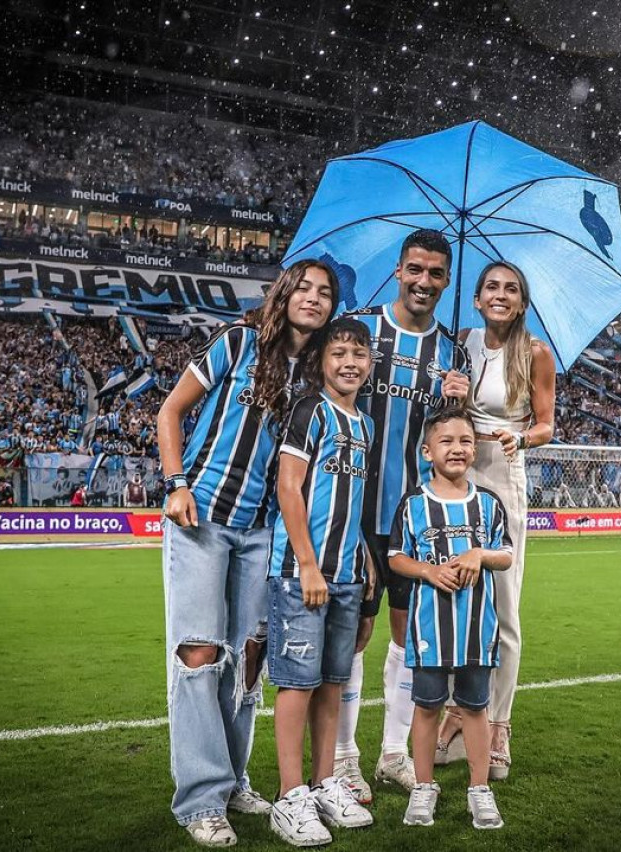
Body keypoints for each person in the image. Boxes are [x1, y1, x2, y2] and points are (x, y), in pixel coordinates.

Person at [156, 259, 339, 847]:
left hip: (263, 531)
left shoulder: (316, 378)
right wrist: (175, 482)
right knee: (199, 655)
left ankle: (234, 780)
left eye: (324, 293)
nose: (312, 298)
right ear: (283, 293)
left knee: (248, 658)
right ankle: (200, 800)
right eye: (303, 287)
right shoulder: (237, 343)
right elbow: (170, 410)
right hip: (203, 519)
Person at [333, 229, 469, 802]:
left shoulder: (453, 354)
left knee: (408, 639)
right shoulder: (363, 332)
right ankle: (343, 758)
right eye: (416, 269)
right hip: (355, 511)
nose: (425, 281)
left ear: (446, 280)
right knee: (351, 637)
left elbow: (454, 439)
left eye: (437, 273)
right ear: (397, 270)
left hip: (417, 519)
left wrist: (459, 401)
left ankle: (393, 753)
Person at [436, 261, 555, 781]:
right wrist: (451, 394)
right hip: (456, 468)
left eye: (511, 289)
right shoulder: (459, 342)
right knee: (451, 597)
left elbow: (548, 423)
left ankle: (499, 724)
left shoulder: (535, 353)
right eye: (491, 287)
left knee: (503, 608)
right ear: (477, 298)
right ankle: (454, 714)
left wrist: (521, 438)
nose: (500, 295)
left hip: (504, 472)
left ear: (522, 302)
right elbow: (442, 410)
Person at [267, 318, 376, 846]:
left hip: (349, 576)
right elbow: (289, 488)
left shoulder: (367, 424)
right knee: (297, 683)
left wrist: (366, 563)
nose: (349, 362)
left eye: (359, 353)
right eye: (339, 353)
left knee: (333, 681)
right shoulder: (310, 410)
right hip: (301, 573)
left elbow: (356, 504)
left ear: (370, 363)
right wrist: (308, 564)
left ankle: (324, 780)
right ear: (322, 360)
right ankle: (290, 797)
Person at [388, 408, 513, 829]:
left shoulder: (488, 504)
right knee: (427, 708)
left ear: (474, 451)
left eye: (465, 441)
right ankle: (424, 787)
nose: (457, 448)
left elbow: (507, 554)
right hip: (429, 631)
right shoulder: (414, 504)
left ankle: (480, 789)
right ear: (427, 451)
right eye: (446, 441)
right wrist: (428, 570)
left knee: (475, 709)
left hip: (477, 630)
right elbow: (396, 557)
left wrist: (479, 554)